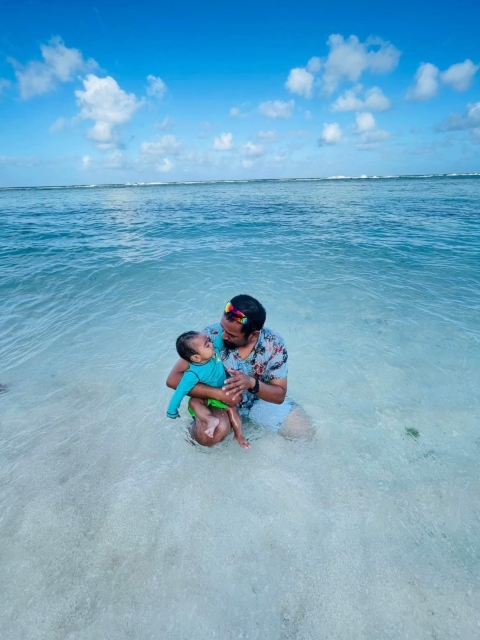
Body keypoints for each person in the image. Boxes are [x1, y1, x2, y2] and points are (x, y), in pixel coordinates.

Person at [166, 294, 308, 446]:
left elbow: (279, 395)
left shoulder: (273, 344)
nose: (223, 336)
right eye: (223, 328)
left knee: (304, 433)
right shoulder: (210, 336)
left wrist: (251, 383)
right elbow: (173, 379)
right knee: (209, 436)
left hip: (258, 401)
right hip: (218, 402)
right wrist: (218, 394)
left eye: (231, 335)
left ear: (254, 334)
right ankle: (195, 427)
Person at [166, 331, 250, 449]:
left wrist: (226, 328)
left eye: (209, 341)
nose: (211, 344)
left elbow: (222, 335)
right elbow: (180, 391)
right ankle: (209, 419)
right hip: (204, 398)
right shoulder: (192, 374)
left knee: (232, 408)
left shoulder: (214, 352)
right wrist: (172, 410)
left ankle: (239, 435)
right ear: (196, 357)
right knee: (194, 402)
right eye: (207, 345)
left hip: (221, 393)